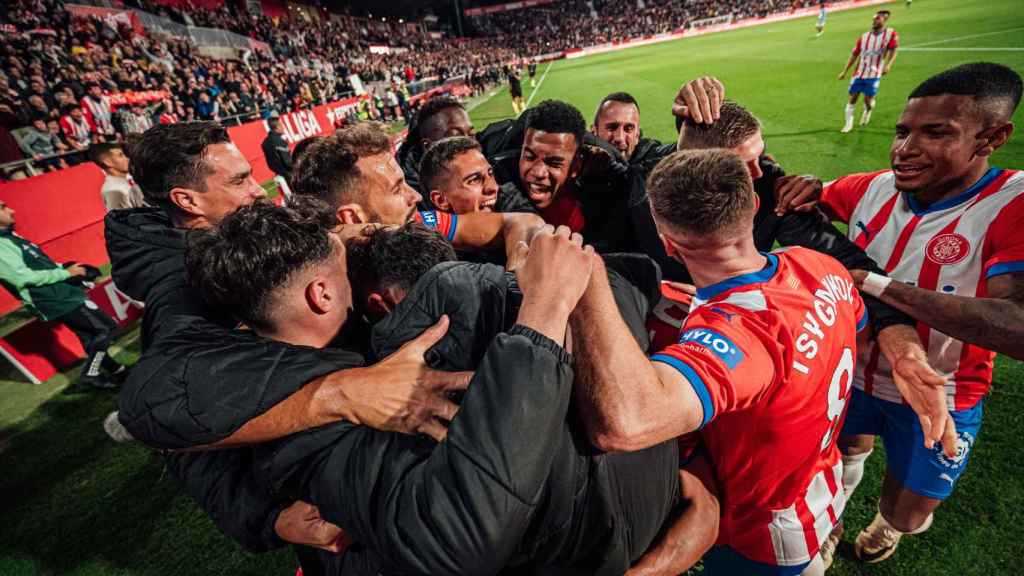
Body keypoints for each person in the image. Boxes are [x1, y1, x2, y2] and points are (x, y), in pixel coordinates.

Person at [184, 201, 716, 575]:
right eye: (345, 258)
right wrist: (542, 315)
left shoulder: (422, 324)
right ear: (323, 294)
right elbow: (459, 538)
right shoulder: (307, 423)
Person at [108, 121, 472, 570]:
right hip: (344, 506)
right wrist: (269, 514)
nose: (259, 191)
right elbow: (165, 411)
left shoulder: (250, 237)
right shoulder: (183, 288)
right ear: (187, 200)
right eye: (240, 181)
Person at [568, 148, 868, 575]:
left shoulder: (739, 334)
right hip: (815, 477)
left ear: (668, 241)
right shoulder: (817, 264)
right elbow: (854, 325)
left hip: (762, 530)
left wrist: (589, 280)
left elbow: (626, 422)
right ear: (755, 206)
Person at [819, 62, 1024, 566]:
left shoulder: (1012, 203)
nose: (904, 150)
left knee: (908, 513)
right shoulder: (872, 188)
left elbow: (1019, 326)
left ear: (992, 137)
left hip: (943, 391)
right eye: (903, 131)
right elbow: (807, 203)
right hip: (853, 374)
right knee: (843, 456)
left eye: (936, 133)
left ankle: (889, 527)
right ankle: (833, 516)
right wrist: (799, 188)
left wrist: (882, 287)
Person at [290, 122, 544, 268]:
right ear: (353, 218)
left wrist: (515, 277)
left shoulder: (415, 223)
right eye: (397, 188)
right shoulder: (319, 286)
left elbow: (521, 222)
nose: (416, 196)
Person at [0, 200, 126, 392]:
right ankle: (90, 375)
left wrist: (68, 268)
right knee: (106, 329)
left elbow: (43, 264)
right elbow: (22, 278)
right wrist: (67, 274)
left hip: (61, 293)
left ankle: (117, 370)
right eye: (2, 207)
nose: (12, 210)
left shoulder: (12, 237)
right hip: (53, 299)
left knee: (90, 336)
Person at [417, 136, 535, 215]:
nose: (493, 187)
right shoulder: (433, 250)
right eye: (474, 180)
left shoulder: (510, 199)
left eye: (490, 174)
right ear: (441, 200)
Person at [395, 95, 475, 193]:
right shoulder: (411, 195)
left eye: (471, 135)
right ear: (428, 146)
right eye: (456, 138)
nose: (470, 144)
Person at [838, 10, 898, 133]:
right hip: (859, 73)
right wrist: (844, 71)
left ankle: (868, 109)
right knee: (853, 97)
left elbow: (893, 50)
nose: (874, 21)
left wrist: (888, 65)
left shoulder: (889, 33)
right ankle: (848, 124)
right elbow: (854, 55)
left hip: (874, 74)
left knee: (867, 100)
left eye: (877, 19)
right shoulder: (864, 37)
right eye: (874, 19)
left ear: (884, 20)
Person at [90, 143, 146, 211]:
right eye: (120, 155)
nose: (127, 159)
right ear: (108, 162)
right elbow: (122, 219)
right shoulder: (113, 190)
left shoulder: (129, 178)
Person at [262, 115, 294, 199]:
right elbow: (288, 162)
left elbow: (270, 163)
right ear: (277, 127)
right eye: (282, 126)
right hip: (288, 177)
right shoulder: (280, 141)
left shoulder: (265, 143)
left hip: (278, 176)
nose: (284, 128)